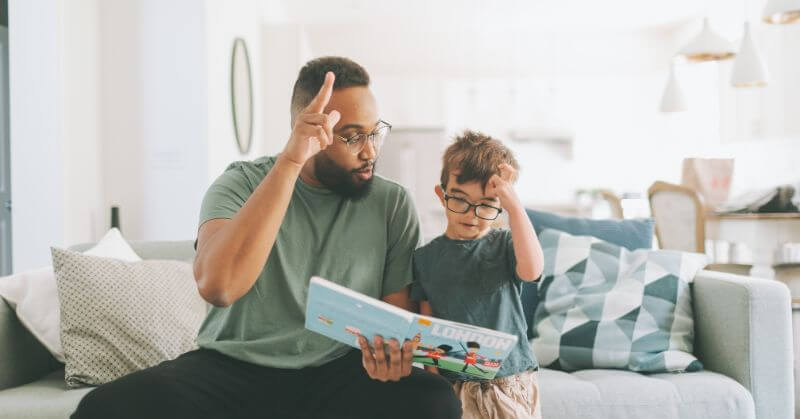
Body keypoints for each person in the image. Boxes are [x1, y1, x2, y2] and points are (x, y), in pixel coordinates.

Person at [71, 56, 461, 419]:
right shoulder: (238, 184)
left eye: (375, 133)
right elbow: (218, 286)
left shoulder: (391, 202)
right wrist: (290, 162)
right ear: (308, 132)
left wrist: (390, 357)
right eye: (351, 137)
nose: (370, 151)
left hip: (338, 371)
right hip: (233, 368)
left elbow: (393, 319)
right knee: (103, 408)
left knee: (433, 400)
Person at [411, 131, 544, 419]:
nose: (471, 215)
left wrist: (515, 207)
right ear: (441, 194)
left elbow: (532, 270)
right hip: (453, 384)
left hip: (508, 381)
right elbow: (427, 323)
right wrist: (434, 383)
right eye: (459, 200)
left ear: (499, 208)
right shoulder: (425, 259)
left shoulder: (505, 244)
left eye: (485, 205)